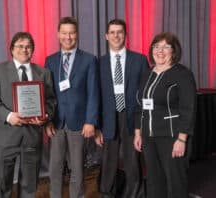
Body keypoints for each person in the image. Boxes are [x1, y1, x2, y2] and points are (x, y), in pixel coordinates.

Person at [0, 32, 56, 198]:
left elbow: (51, 101)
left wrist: (45, 115)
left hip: (32, 137)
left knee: (29, 187)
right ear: (12, 49)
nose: (24, 50)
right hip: (6, 137)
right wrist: (9, 116)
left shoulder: (43, 73)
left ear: (32, 50)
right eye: (20, 46)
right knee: (2, 186)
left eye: (28, 47)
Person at [134, 32, 197, 198]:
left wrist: (182, 139)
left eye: (165, 47)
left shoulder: (183, 74)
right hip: (148, 137)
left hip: (172, 137)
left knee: (175, 182)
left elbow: (188, 108)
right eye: (156, 46)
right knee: (154, 181)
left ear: (173, 51)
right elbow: (140, 105)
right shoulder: (147, 73)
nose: (160, 51)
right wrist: (138, 132)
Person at [45, 16, 100, 198]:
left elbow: (93, 93)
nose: (68, 37)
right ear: (58, 34)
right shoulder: (50, 60)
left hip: (80, 123)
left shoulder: (89, 60)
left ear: (77, 34)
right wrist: (47, 121)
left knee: (77, 169)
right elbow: (47, 94)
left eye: (72, 33)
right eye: (64, 33)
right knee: (55, 169)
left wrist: (90, 121)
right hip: (56, 123)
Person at [95, 19, 149, 198]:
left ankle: (134, 194)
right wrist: (96, 127)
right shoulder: (99, 63)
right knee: (108, 160)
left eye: (120, 32)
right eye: (112, 32)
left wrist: (141, 125)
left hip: (132, 116)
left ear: (126, 35)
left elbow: (146, 92)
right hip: (108, 117)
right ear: (106, 36)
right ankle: (106, 193)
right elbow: (96, 96)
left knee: (132, 160)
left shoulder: (140, 60)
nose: (116, 35)